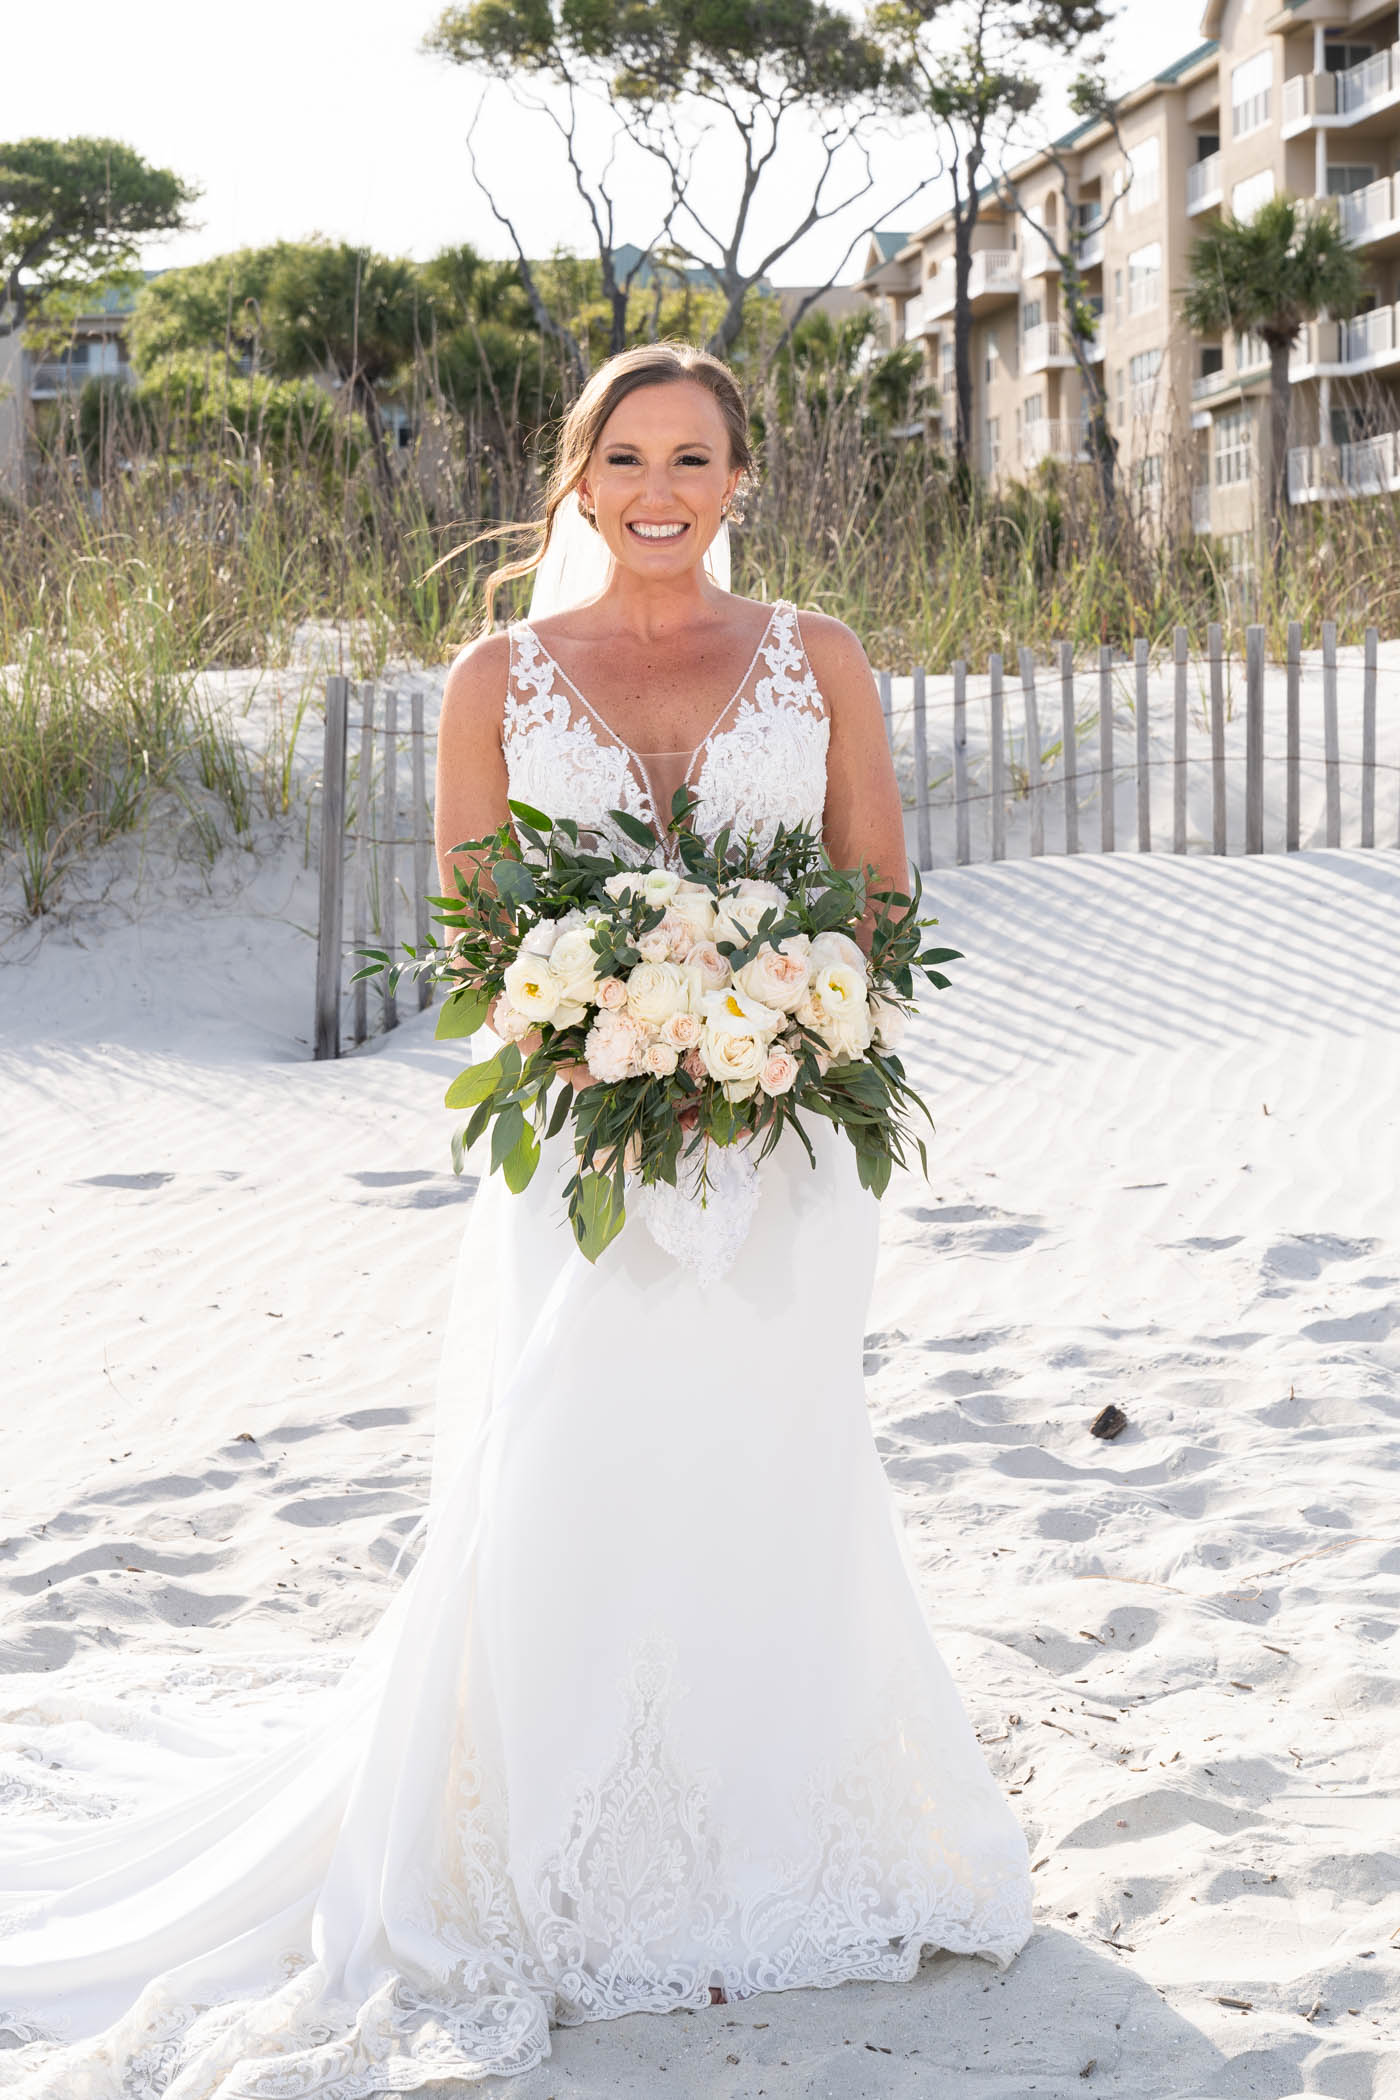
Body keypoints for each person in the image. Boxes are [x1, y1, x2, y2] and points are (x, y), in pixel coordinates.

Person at [0, 342, 1033, 2095]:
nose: (659, 489)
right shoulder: (498, 676)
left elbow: (881, 897)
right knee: (572, 1448)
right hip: (580, 1136)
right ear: (575, 474)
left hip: (787, 1139)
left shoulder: (823, 658)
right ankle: (559, 1842)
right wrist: (622, 1022)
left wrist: (779, 1023)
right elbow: (480, 951)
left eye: (694, 457)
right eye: (626, 456)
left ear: (739, 478)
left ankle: (780, 1818)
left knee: (776, 1452)